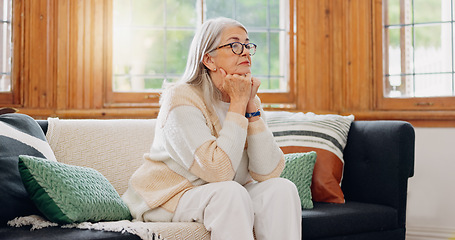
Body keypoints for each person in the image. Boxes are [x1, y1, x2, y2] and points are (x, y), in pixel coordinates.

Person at [122, 17, 302, 240]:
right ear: (208, 60)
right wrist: (238, 103)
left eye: (247, 45)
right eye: (235, 45)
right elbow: (219, 172)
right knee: (230, 193)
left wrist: (251, 107)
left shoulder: (248, 98)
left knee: (282, 189)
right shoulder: (180, 97)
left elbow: (268, 172)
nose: (245, 51)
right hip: (169, 196)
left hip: (221, 193)